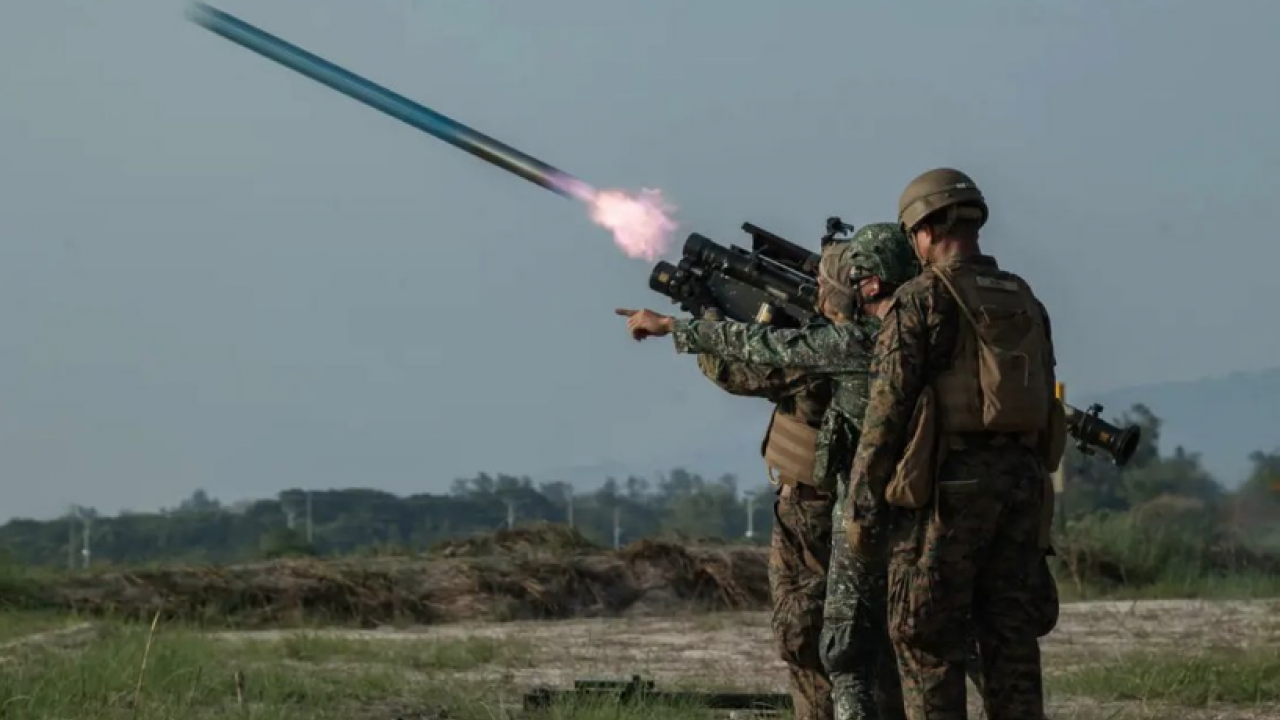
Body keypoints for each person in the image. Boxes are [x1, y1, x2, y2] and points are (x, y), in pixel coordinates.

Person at [616, 225, 907, 720]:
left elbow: (745, 370)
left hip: (818, 509)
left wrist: (697, 319)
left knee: (813, 637)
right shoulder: (904, 336)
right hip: (879, 509)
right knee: (870, 639)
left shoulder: (837, 344)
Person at [847, 168, 1058, 720]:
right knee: (1012, 645)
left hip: (949, 495)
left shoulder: (920, 300)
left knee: (927, 644)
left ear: (924, 229)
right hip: (1021, 490)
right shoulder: (1023, 297)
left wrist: (863, 507)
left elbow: (885, 412)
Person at [688, 286, 839, 720]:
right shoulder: (887, 336)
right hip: (864, 504)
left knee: (805, 632)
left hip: (814, 508)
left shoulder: (824, 346)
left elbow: (734, 370)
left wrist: (707, 321)